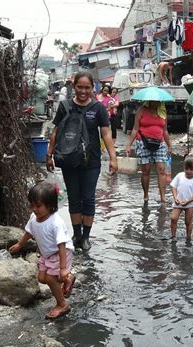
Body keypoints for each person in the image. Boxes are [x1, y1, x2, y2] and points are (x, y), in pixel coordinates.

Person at [46, 72, 118, 251]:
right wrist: (49, 154)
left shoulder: (98, 109)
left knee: (88, 198)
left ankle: (86, 237)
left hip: (91, 161)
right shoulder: (65, 106)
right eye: (80, 87)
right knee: (74, 197)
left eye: (87, 87)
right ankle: (76, 234)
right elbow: (55, 131)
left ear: (92, 88)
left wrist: (113, 158)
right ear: (74, 86)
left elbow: (106, 133)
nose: (83, 91)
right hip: (68, 159)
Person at [9, 182, 75, 320]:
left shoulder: (55, 222)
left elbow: (62, 245)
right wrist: (20, 245)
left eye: (38, 206)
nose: (34, 209)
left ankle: (62, 304)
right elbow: (29, 231)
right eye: (32, 205)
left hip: (60, 252)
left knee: (51, 279)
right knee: (42, 278)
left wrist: (63, 268)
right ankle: (68, 278)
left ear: (50, 206)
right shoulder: (34, 218)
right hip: (47, 254)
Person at [125, 101, 172, 203]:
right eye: (152, 100)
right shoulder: (141, 111)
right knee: (146, 171)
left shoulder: (162, 112)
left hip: (159, 144)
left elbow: (165, 131)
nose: (155, 102)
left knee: (161, 170)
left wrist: (169, 146)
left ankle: (163, 197)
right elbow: (135, 128)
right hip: (143, 143)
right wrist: (128, 145)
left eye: (157, 101)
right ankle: (146, 195)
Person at [170, 157, 193, 241]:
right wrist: (175, 197)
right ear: (183, 167)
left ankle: (188, 237)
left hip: (190, 204)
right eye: (186, 169)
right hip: (178, 202)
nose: (188, 171)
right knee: (173, 218)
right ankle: (173, 236)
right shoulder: (180, 175)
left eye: (191, 169)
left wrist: (188, 201)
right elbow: (173, 186)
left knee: (188, 221)